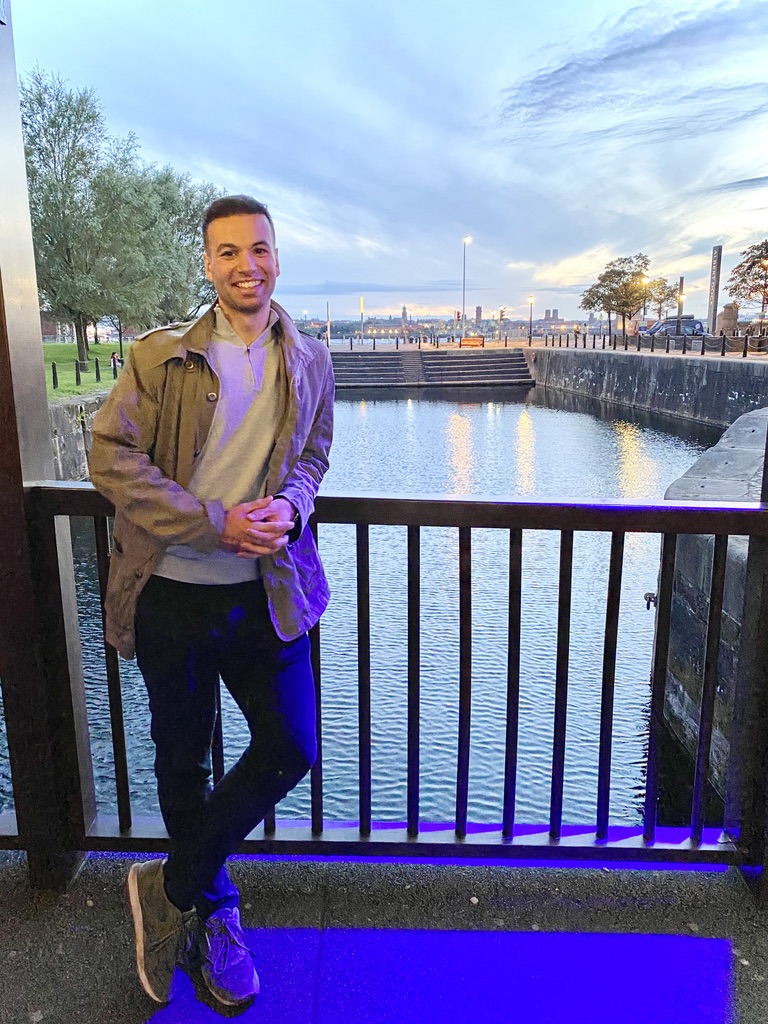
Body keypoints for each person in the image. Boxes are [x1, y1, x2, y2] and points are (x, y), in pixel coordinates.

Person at [89, 195, 334, 1007]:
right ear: (207, 264)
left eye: (258, 249)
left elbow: (314, 454)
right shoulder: (160, 359)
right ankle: (214, 907)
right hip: (174, 596)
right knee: (183, 763)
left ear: (276, 256)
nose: (246, 266)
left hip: (269, 598)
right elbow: (110, 456)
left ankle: (170, 887)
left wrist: (292, 506)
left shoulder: (308, 358)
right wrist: (214, 522)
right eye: (227, 252)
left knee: (292, 745)